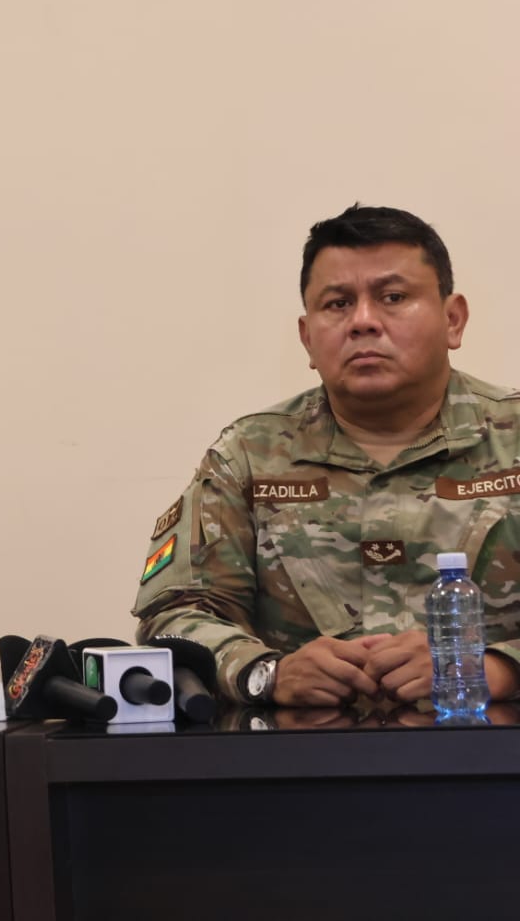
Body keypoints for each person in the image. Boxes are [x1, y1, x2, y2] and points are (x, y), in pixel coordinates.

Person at [135, 205, 520, 707]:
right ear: (307, 338)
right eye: (337, 304)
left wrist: (496, 669)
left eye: (393, 297)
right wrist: (266, 673)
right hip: (305, 767)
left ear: (453, 319)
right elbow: (175, 614)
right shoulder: (249, 456)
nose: (363, 322)